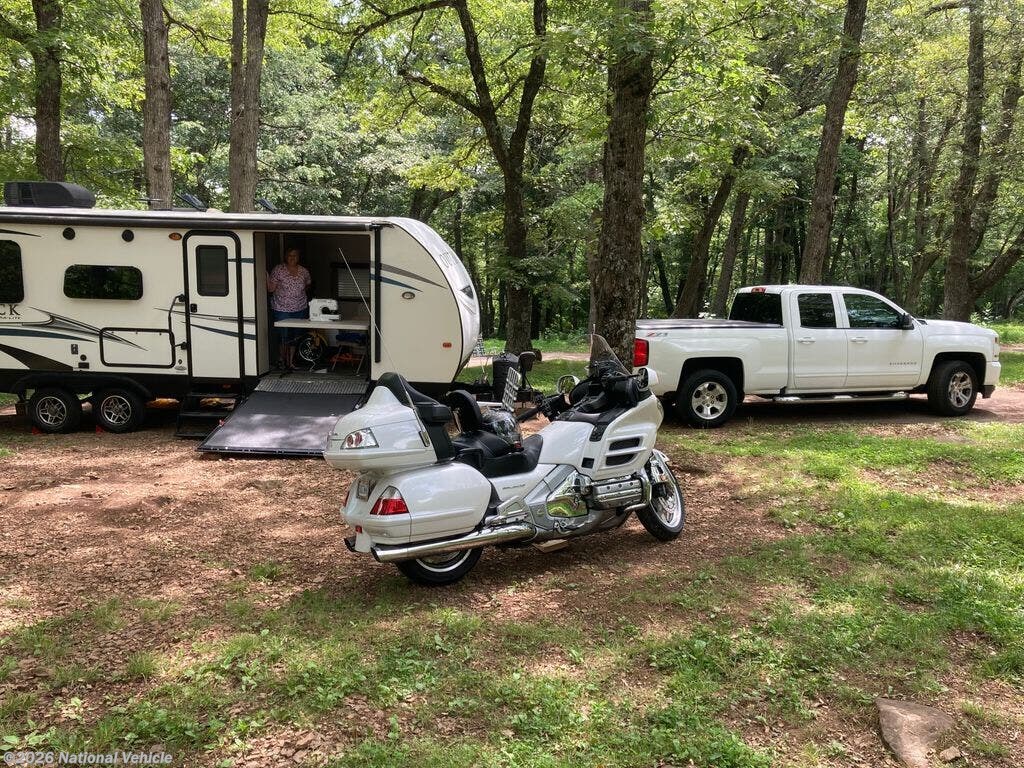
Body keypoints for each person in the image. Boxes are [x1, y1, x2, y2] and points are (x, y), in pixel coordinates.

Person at [267, 248, 311, 369]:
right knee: (283, 335)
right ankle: (282, 360)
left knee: (296, 336)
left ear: (299, 257)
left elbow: (308, 284)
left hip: (300, 308)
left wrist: (297, 295)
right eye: (289, 255)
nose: (292, 258)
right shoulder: (278, 270)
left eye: (295, 255)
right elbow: (270, 289)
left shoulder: (304, 271)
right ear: (285, 257)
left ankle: (291, 362)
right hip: (282, 308)